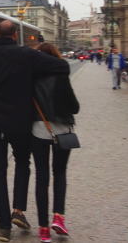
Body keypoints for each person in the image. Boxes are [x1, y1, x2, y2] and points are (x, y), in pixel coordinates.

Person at [0, 20, 70, 242]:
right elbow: (62, 67)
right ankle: (18, 210)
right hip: (21, 121)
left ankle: (4, 227)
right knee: (22, 163)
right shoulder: (27, 55)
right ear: (15, 36)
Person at [31, 43, 80, 243]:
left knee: (41, 177)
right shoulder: (61, 74)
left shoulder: (31, 76)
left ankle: (43, 229)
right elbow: (74, 107)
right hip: (61, 130)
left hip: (38, 130)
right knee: (59, 173)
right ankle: (58, 217)